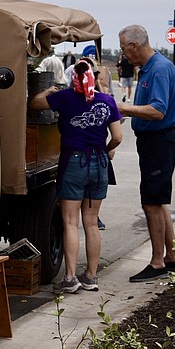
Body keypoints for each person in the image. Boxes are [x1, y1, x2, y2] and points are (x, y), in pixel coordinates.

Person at [31, 60, 122, 294]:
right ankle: (91, 276)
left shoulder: (65, 97)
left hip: (73, 162)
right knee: (91, 222)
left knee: (70, 222)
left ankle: (70, 278)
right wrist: (106, 148)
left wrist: (49, 90)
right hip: (99, 162)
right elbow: (118, 137)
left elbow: (35, 103)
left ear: (73, 79)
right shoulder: (107, 101)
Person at [117, 24, 175, 282]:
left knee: (151, 202)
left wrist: (123, 107)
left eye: (124, 49)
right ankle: (173, 256)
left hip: (159, 141)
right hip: (152, 141)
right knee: (158, 198)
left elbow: (158, 110)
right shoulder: (148, 68)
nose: (123, 55)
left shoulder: (159, 70)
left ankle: (157, 263)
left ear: (134, 45)